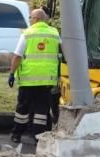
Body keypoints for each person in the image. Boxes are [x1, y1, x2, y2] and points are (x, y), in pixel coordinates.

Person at [8, 9, 61, 144]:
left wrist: (11, 73)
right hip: (47, 80)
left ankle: (17, 134)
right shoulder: (54, 33)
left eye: (30, 17)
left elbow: (17, 56)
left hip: (28, 79)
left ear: (36, 19)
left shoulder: (27, 33)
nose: (30, 20)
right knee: (41, 110)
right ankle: (38, 136)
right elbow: (62, 53)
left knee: (22, 108)